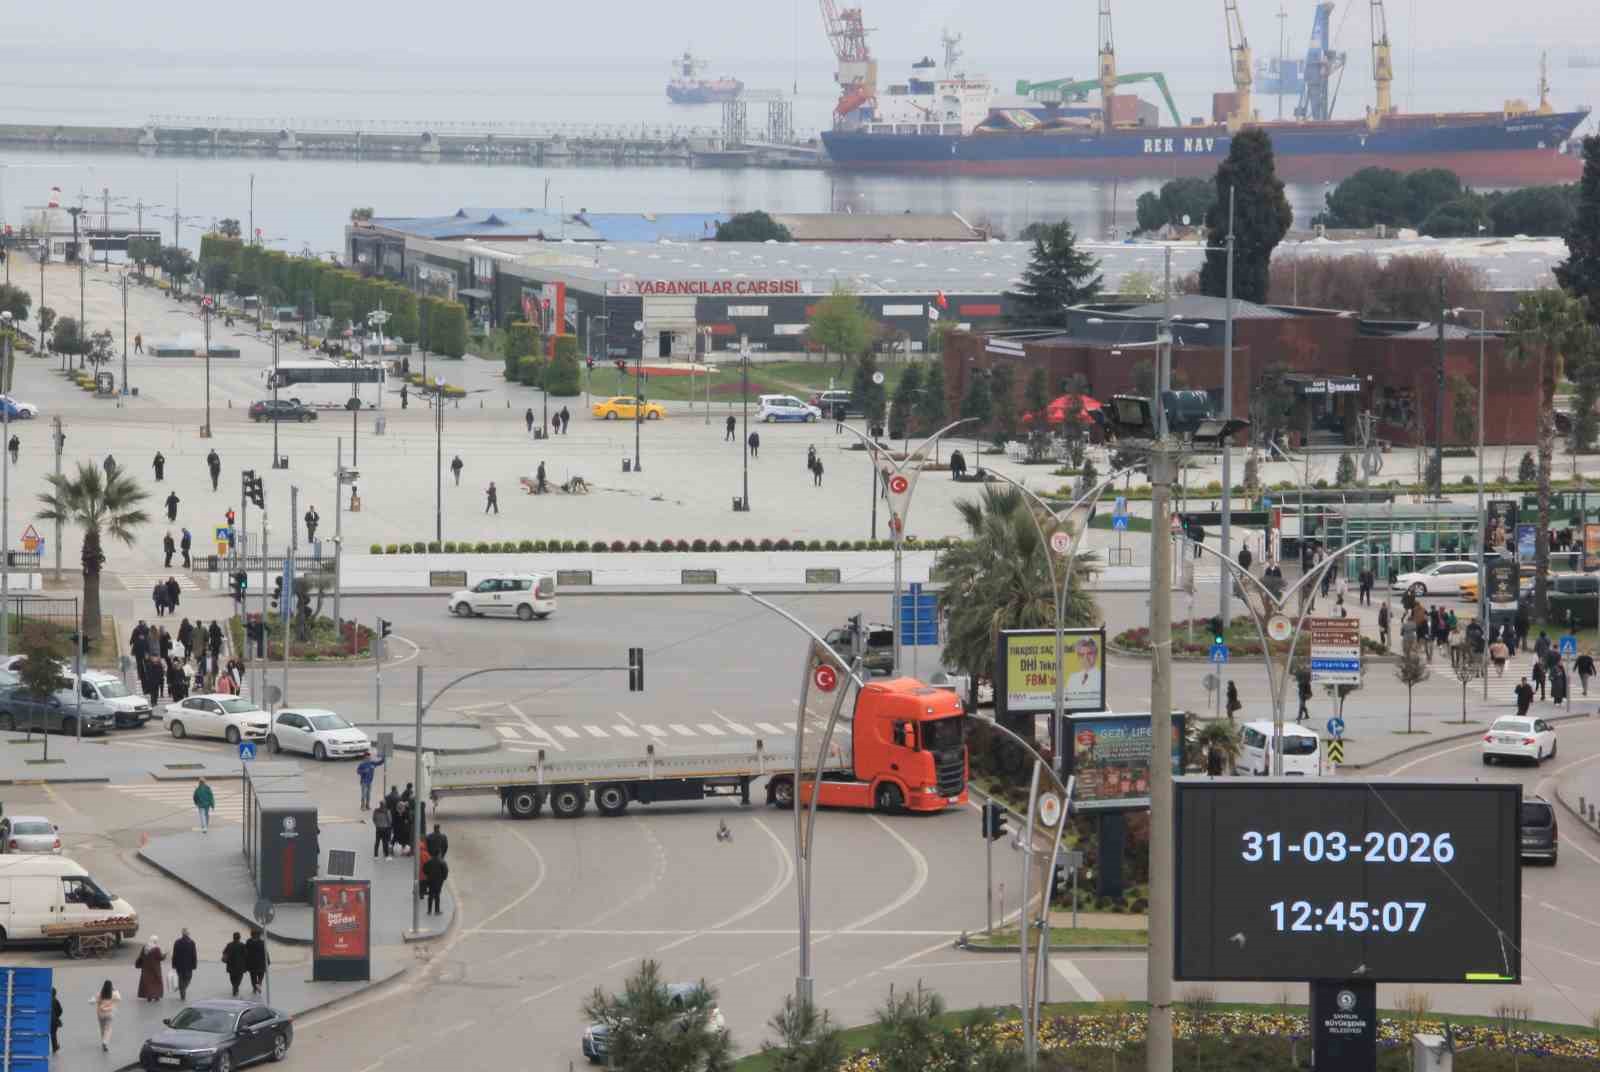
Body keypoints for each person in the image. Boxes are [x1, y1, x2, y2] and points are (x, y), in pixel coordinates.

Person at [91, 980, 121, 1052]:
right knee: (108, 1029)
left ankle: (103, 1040)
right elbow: (119, 998)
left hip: (101, 1014)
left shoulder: (100, 994)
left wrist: (93, 1000)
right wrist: (115, 990)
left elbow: (92, 1001)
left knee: (102, 1028)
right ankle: (105, 1042)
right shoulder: (114, 994)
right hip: (109, 1013)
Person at [135, 936, 165, 1002]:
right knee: (156, 982)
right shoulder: (156, 949)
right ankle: (156, 996)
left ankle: (149, 996)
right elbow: (160, 958)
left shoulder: (145, 947)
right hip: (155, 969)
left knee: (148, 982)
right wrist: (165, 955)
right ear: (155, 941)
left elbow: (141, 956)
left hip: (146, 968)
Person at [171, 929, 198, 1001]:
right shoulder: (191, 942)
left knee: (181, 979)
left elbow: (174, 954)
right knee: (188, 979)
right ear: (188, 934)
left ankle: (182, 991)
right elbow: (194, 955)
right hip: (189, 966)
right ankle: (183, 990)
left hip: (179, 965)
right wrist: (194, 965)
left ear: (182, 934)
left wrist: (173, 964)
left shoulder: (177, 942)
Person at [222, 933, 248, 997]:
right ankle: (236, 987)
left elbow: (224, 952)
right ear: (239, 938)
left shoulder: (229, 945)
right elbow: (246, 955)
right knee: (239, 978)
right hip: (240, 966)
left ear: (233, 937)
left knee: (232, 978)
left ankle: (234, 987)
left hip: (231, 965)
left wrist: (225, 958)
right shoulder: (242, 945)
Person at [245, 929, 268, 995]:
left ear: (251, 935)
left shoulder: (248, 942)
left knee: (253, 977)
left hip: (252, 964)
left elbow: (246, 952)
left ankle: (255, 988)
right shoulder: (262, 942)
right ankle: (259, 984)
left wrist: (245, 963)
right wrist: (268, 962)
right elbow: (265, 952)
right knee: (260, 977)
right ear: (258, 935)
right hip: (261, 963)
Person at [51, 987, 61, 1054]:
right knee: (53, 1034)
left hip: (45, 1019)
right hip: (54, 1020)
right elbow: (60, 1010)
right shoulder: (55, 1000)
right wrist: (56, 1016)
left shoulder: (45, 999)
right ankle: (55, 1047)